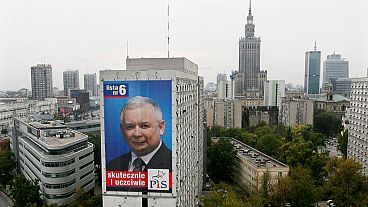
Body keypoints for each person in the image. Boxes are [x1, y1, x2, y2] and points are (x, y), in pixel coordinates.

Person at [107, 96, 172, 172]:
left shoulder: (174, 164)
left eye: (144, 126)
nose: (137, 134)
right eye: (130, 127)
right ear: (122, 130)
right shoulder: (112, 167)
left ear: (161, 127)